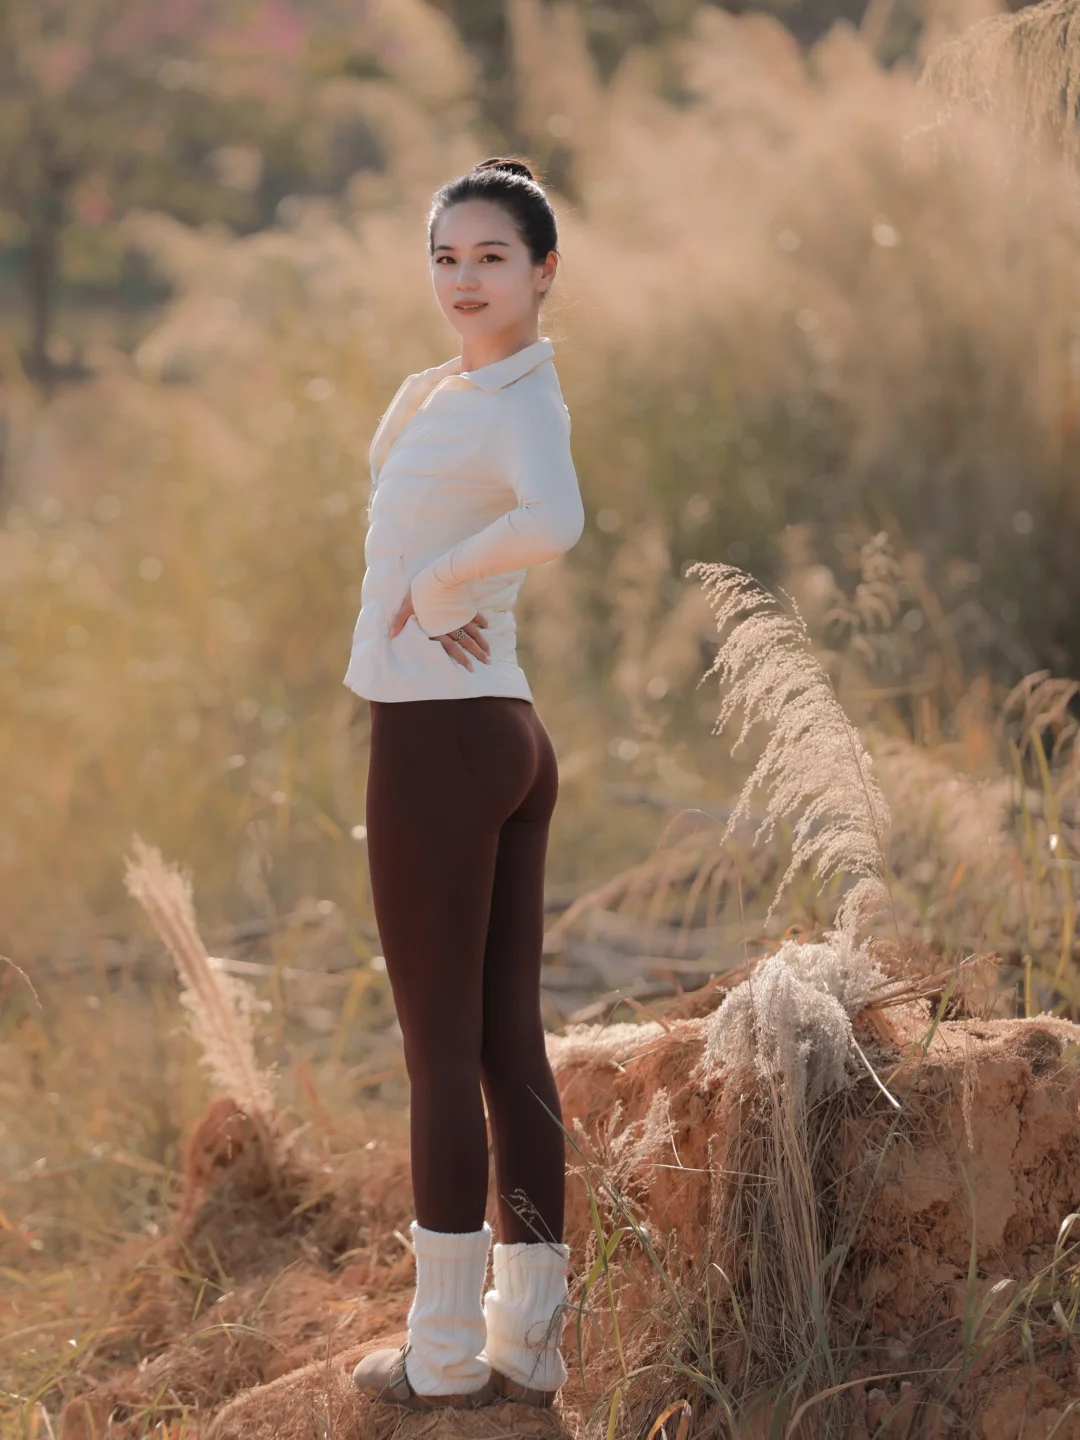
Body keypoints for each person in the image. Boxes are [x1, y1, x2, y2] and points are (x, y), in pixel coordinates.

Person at [344, 157, 586, 1412]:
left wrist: (439, 590)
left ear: (544, 271)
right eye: (446, 257)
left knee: (440, 1053)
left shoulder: (517, 401)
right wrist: (449, 581)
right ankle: (527, 1347)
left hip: (442, 738)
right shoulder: (464, 390)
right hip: (500, 727)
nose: (464, 278)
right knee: (502, 1045)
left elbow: (557, 516)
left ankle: (441, 1359)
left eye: (492, 257)